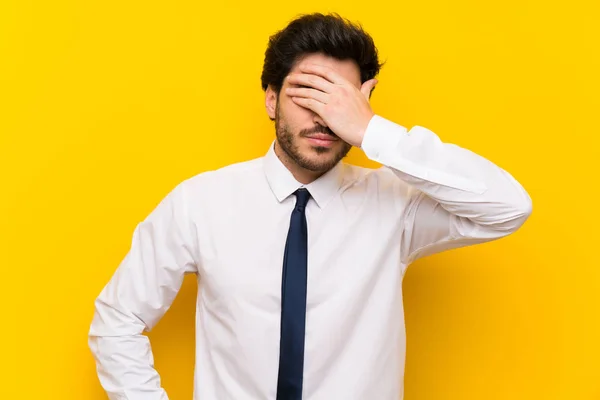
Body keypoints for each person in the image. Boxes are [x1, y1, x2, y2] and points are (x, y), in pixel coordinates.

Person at [88, 12, 532, 400]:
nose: (324, 117)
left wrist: (374, 131)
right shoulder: (200, 203)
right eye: (307, 94)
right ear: (271, 99)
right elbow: (118, 318)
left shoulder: (395, 207)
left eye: (339, 99)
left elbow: (508, 207)